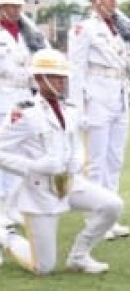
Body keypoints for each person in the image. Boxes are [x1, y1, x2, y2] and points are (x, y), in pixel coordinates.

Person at [0, 49, 122, 274]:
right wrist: (34, 166)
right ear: (39, 79)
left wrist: (77, 158)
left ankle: (79, 256)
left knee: (112, 205)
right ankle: (6, 236)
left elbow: (73, 140)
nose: (62, 82)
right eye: (55, 77)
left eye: (63, 77)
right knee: (43, 268)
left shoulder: (70, 109)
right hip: (40, 191)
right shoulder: (24, 112)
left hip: (69, 182)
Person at [68, 0, 130, 240]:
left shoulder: (120, 30)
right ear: (94, 1)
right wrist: (77, 107)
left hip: (118, 94)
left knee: (115, 160)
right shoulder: (84, 29)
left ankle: (110, 215)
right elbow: (76, 69)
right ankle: (95, 217)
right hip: (96, 96)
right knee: (95, 162)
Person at [0, 0, 35, 228]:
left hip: (23, 97)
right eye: (11, 6)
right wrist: (26, 73)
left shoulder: (25, 35)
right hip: (3, 95)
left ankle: (13, 206)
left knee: (20, 155)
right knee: (3, 154)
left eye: (18, 7)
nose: (15, 11)